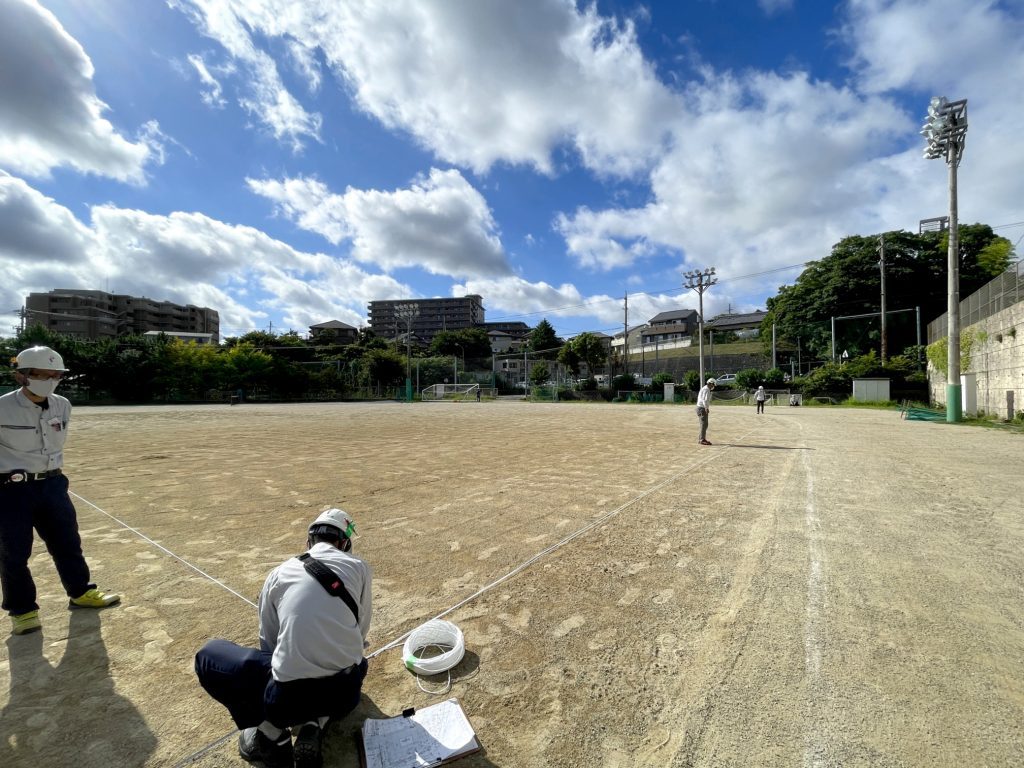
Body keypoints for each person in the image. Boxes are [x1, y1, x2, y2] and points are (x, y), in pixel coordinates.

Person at [195, 508, 372, 768]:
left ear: (308, 541)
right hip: (346, 694)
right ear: (345, 543)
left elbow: (268, 639)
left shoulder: (279, 573)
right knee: (358, 663)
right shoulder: (359, 568)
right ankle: (315, 722)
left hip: (285, 702)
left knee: (208, 656)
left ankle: (270, 734)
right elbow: (361, 630)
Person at [1, 346, 120, 636]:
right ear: (22, 376)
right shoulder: (2, 407)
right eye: (43, 374)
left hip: (53, 484)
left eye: (56, 375)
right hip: (10, 489)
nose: (51, 379)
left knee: (67, 542)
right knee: (13, 552)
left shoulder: (62, 405)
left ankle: (80, 591)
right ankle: (23, 610)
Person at [696, 377, 715, 445]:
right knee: (704, 424)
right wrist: (706, 408)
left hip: (700, 407)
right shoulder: (707, 389)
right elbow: (705, 400)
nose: (713, 386)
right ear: (711, 384)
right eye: (713, 385)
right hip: (702, 408)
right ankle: (702, 439)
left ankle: (701, 438)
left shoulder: (705, 388)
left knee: (704, 424)